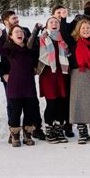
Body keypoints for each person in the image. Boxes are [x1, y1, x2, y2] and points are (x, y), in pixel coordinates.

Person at [0, 10, 45, 141]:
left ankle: (33, 130)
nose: (17, 20)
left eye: (17, 18)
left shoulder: (25, 34)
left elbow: (35, 48)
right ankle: (14, 133)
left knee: (31, 106)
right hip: (11, 78)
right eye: (13, 18)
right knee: (14, 107)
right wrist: (3, 74)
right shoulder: (1, 37)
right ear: (6, 21)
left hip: (28, 79)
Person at [60, 16, 90, 144]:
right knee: (79, 103)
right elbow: (63, 33)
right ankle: (82, 132)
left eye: (88, 28)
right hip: (78, 75)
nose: (86, 30)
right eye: (83, 28)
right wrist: (63, 18)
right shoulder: (74, 42)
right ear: (78, 30)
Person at [33, 16, 70, 144]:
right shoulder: (42, 39)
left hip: (61, 73)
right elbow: (37, 55)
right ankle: (49, 129)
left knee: (61, 103)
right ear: (47, 25)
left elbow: (68, 53)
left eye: (56, 22)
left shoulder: (62, 39)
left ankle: (59, 129)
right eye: (51, 22)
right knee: (52, 103)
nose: (54, 24)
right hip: (48, 74)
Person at [50, 5, 74, 138]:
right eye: (58, 13)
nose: (60, 15)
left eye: (62, 12)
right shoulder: (47, 30)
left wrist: (64, 21)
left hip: (67, 68)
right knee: (55, 98)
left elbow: (67, 38)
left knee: (67, 97)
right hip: (54, 70)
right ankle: (55, 124)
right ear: (53, 15)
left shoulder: (68, 27)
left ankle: (68, 125)